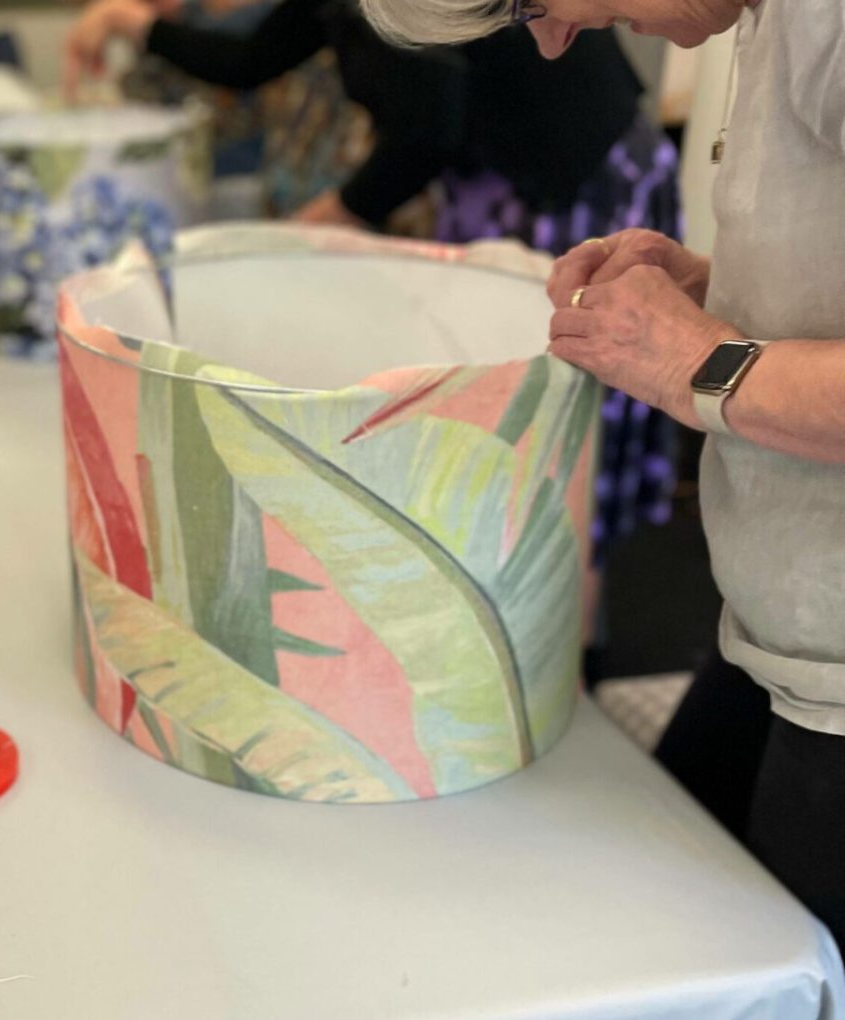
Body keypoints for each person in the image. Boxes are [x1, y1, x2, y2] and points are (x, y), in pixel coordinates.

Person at [356, 0, 845, 942]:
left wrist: (699, 362)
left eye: (537, 3)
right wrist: (718, 281)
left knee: (753, 962)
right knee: (664, 889)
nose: (548, 41)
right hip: (775, 634)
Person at [64, 0, 681, 562]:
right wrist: (134, 24)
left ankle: (570, 642)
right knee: (495, 422)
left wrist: (326, 219)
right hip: (492, 174)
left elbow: (425, 132)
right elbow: (253, 59)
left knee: (555, 427)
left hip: (572, 175)